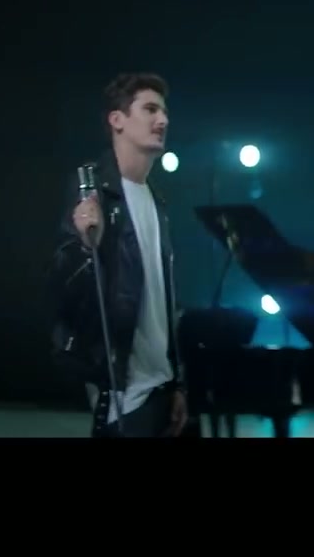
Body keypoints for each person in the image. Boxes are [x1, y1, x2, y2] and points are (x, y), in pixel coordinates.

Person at [47, 73, 189, 438]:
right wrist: (85, 245)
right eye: (150, 109)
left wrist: (177, 383)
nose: (163, 120)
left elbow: (164, 303)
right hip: (123, 393)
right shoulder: (94, 191)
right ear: (117, 119)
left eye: (164, 112)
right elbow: (63, 292)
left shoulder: (157, 200)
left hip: (161, 387)